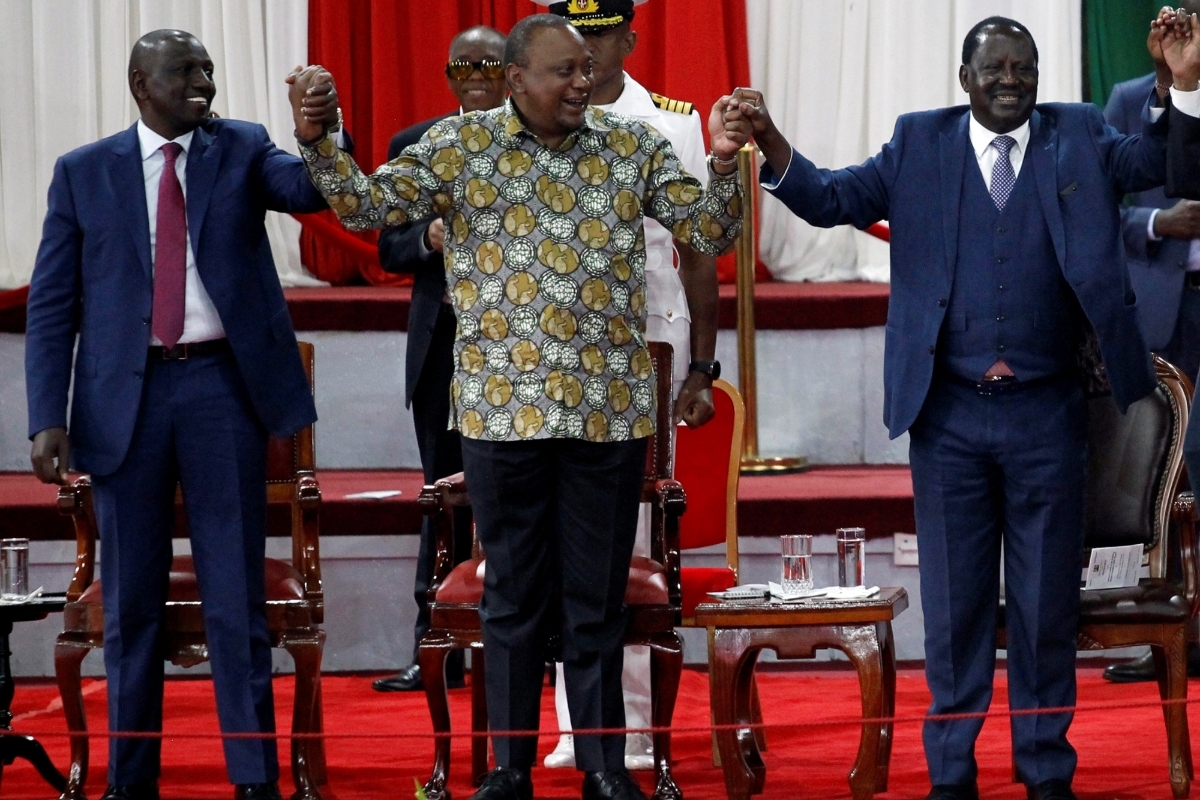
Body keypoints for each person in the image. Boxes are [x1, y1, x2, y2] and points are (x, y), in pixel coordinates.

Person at [720, 13, 1200, 800]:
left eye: (1025, 68)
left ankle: (1047, 773)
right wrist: (769, 139)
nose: (1010, 80)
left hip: (1050, 415)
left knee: (1046, 610)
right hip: (948, 418)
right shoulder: (919, 142)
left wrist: (1184, 84)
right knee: (955, 610)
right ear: (964, 79)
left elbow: (1169, 163)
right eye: (995, 69)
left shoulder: (1078, 133)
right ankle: (952, 776)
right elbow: (831, 198)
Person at [287, 13, 744, 800]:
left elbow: (709, 228)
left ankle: (604, 767)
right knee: (513, 596)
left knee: (595, 599)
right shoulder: (458, 149)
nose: (583, 81)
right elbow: (365, 211)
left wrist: (730, 161)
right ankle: (508, 769)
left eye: (586, 69)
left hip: (606, 413)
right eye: (564, 71)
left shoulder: (632, 145)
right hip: (502, 417)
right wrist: (322, 139)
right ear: (516, 80)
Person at [24, 29, 340, 800]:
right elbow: (53, 305)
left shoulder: (242, 147)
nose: (202, 82)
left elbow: (311, 191)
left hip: (220, 394)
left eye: (206, 69)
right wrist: (45, 416)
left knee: (236, 597)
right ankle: (131, 779)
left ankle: (253, 778)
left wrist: (318, 132)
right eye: (184, 72)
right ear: (141, 83)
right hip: (119, 401)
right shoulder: (83, 173)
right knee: (129, 605)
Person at [537, 0, 720, 771]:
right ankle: (576, 725)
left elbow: (699, 246)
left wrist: (705, 368)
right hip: (549, 353)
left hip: (645, 350)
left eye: (600, 32)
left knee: (628, 544)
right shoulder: (536, 111)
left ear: (628, 37)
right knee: (553, 540)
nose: (586, 46)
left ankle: (632, 726)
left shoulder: (670, 123)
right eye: (571, 32)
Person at [372, 24, 508, 695]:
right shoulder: (413, 146)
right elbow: (387, 248)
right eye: (465, 66)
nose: (477, 75)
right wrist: (425, 236)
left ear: (512, 70)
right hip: (443, 349)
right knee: (444, 500)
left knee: (518, 503)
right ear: (448, 73)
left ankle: (527, 649)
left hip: (523, 352)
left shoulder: (539, 140)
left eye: (490, 63)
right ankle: (434, 646)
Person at [1102, 1, 1200, 686]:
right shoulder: (1132, 99)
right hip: (1165, 314)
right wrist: (1157, 222)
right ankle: (1167, 635)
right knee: (1162, 478)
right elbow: (1094, 205)